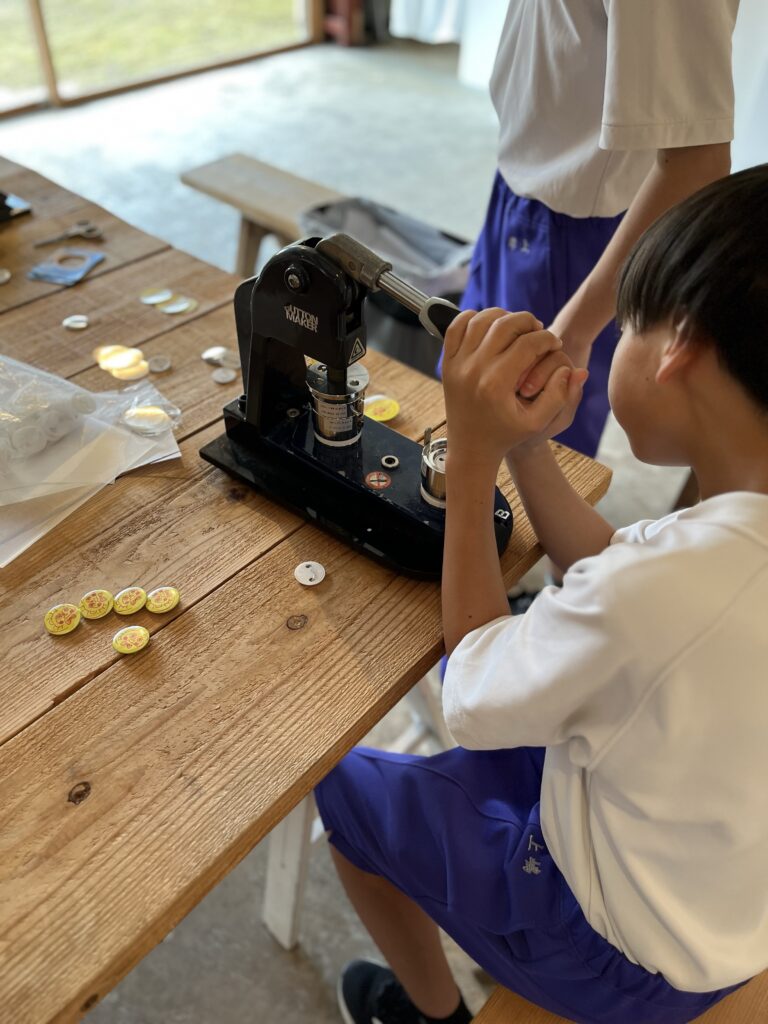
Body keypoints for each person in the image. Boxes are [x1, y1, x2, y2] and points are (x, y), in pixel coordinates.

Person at [316, 164, 768, 1024]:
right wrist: (526, 448)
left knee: (342, 789)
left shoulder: (668, 595)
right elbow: (618, 574)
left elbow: (473, 689)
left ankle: (434, 1013)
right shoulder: (724, 549)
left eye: (628, 325)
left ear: (681, 346)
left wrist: (473, 454)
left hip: (612, 951)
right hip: (725, 898)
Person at [443, 0, 739, 459]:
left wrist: (576, 329)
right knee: (466, 397)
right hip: (522, 188)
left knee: (524, 444)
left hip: (574, 233)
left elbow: (698, 162)